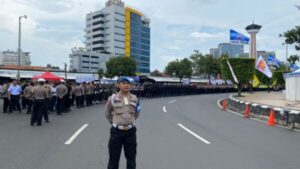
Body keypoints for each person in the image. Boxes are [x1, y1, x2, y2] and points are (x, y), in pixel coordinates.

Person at [105, 77, 141, 169]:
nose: (126, 85)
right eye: (123, 83)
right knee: (113, 159)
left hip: (130, 132)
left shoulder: (135, 98)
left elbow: (137, 113)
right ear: (118, 85)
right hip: (116, 132)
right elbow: (108, 114)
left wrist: (128, 122)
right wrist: (116, 123)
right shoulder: (113, 98)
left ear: (131, 85)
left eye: (128, 83)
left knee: (131, 159)